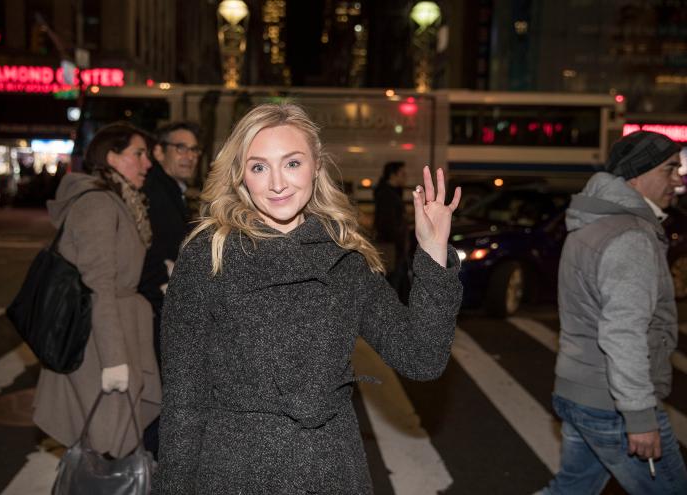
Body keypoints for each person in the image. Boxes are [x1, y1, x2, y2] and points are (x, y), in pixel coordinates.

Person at [153, 103, 463, 493]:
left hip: (329, 469)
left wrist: (433, 253)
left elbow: (422, 357)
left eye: (293, 163)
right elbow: (184, 399)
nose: (277, 183)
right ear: (241, 176)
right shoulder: (207, 257)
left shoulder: (345, 258)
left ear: (316, 166)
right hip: (233, 470)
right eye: (259, 166)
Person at [541, 131, 687, 494]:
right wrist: (639, 417)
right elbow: (622, 333)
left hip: (577, 390)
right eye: (669, 169)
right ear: (636, 175)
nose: (678, 180)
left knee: (572, 490)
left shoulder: (589, 225)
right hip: (612, 404)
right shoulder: (630, 236)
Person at [32, 123, 162, 458]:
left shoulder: (119, 201)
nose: (147, 163)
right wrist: (114, 361)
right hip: (101, 344)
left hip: (117, 332)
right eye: (139, 153)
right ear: (112, 157)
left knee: (113, 443)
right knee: (107, 446)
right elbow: (99, 285)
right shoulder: (99, 205)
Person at [139, 121, 202, 457]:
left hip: (164, 311)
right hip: (156, 313)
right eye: (181, 148)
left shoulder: (172, 191)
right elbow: (156, 257)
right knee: (160, 401)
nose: (189, 156)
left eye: (194, 150)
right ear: (159, 151)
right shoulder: (155, 193)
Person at [373, 161, 411, 301]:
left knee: (395, 286)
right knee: (391, 288)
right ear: (393, 175)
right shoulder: (387, 195)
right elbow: (387, 225)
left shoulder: (392, 192)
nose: (405, 177)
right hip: (391, 249)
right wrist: (399, 242)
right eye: (402, 174)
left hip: (395, 249)